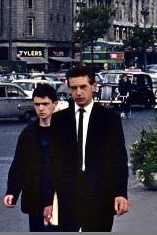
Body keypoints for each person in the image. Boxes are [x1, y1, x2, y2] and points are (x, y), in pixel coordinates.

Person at [42, 66, 130, 231]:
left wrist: (121, 193)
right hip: (67, 195)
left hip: (100, 195)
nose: (79, 92)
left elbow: (118, 158)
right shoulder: (59, 121)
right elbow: (50, 162)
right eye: (74, 88)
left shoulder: (109, 119)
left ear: (94, 86)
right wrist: (47, 201)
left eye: (83, 87)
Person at [4, 84, 58, 232]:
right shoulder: (28, 134)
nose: (41, 108)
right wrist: (12, 192)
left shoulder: (66, 133)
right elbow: (19, 165)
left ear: (54, 104)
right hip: (34, 201)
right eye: (37, 104)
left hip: (58, 202)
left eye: (45, 104)